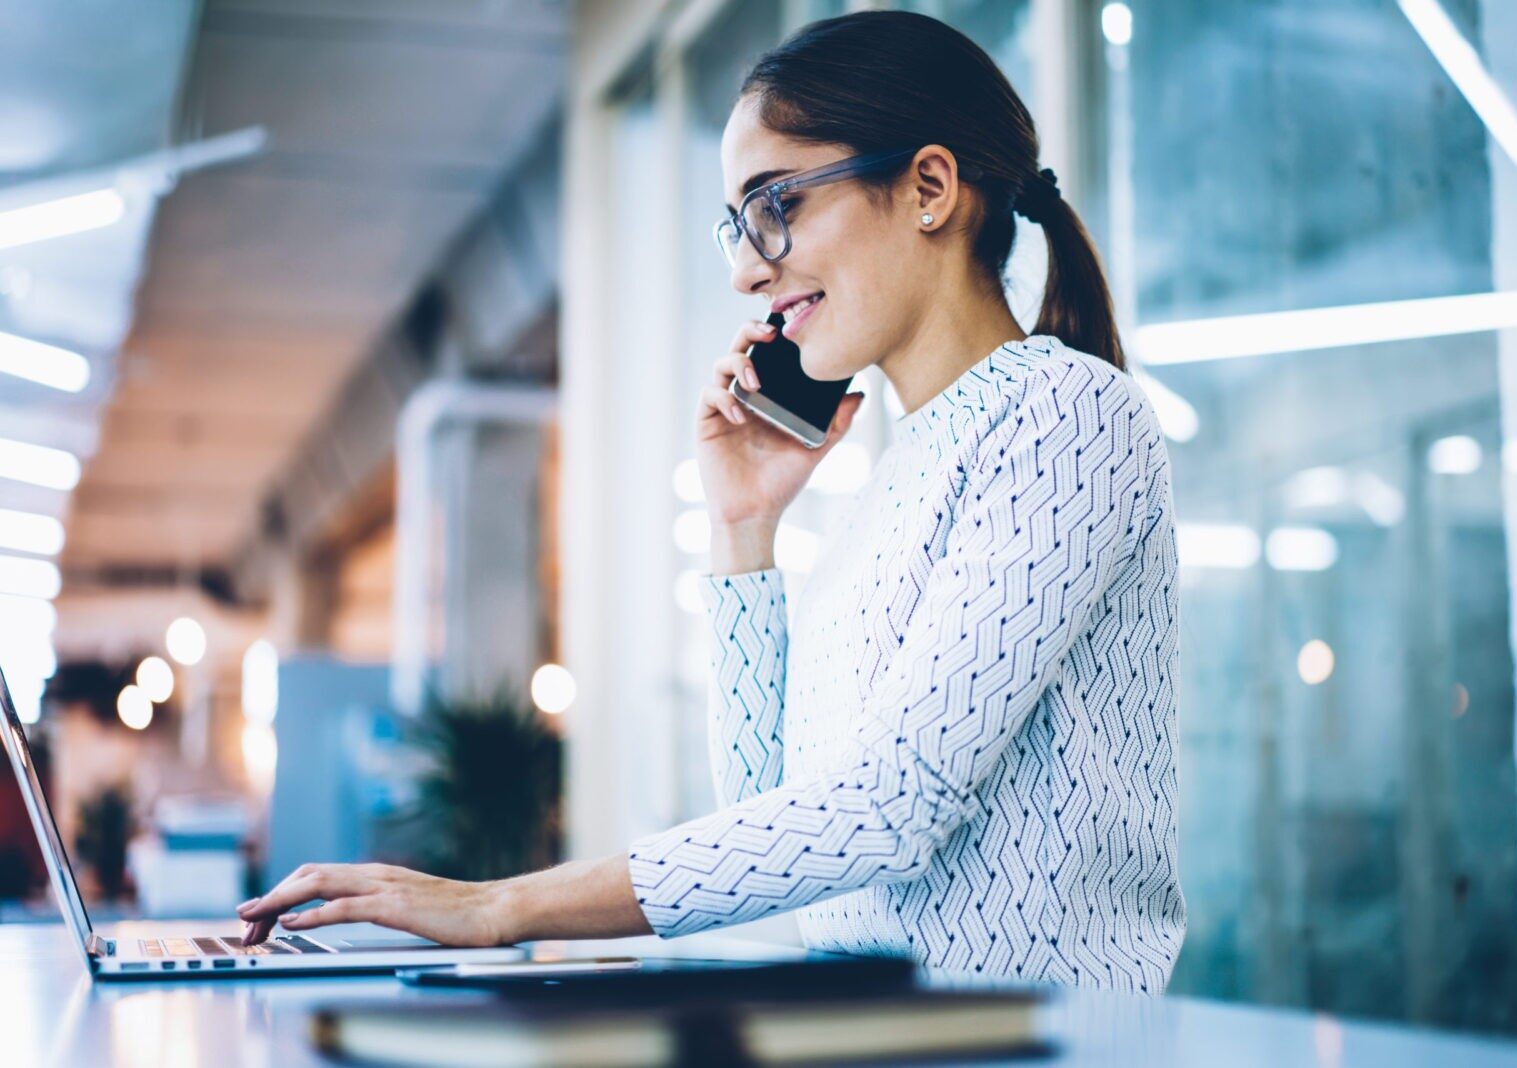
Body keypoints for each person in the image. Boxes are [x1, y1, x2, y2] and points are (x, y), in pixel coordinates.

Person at [238, 10, 1186, 992]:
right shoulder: (887, 482)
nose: (745, 269)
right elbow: (779, 820)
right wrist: (745, 528)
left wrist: (499, 904)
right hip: (891, 1034)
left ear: (929, 189)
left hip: (1049, 1042)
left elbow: (891, 809)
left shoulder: (1065, 413)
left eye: (774, 206)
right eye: (738, 224)